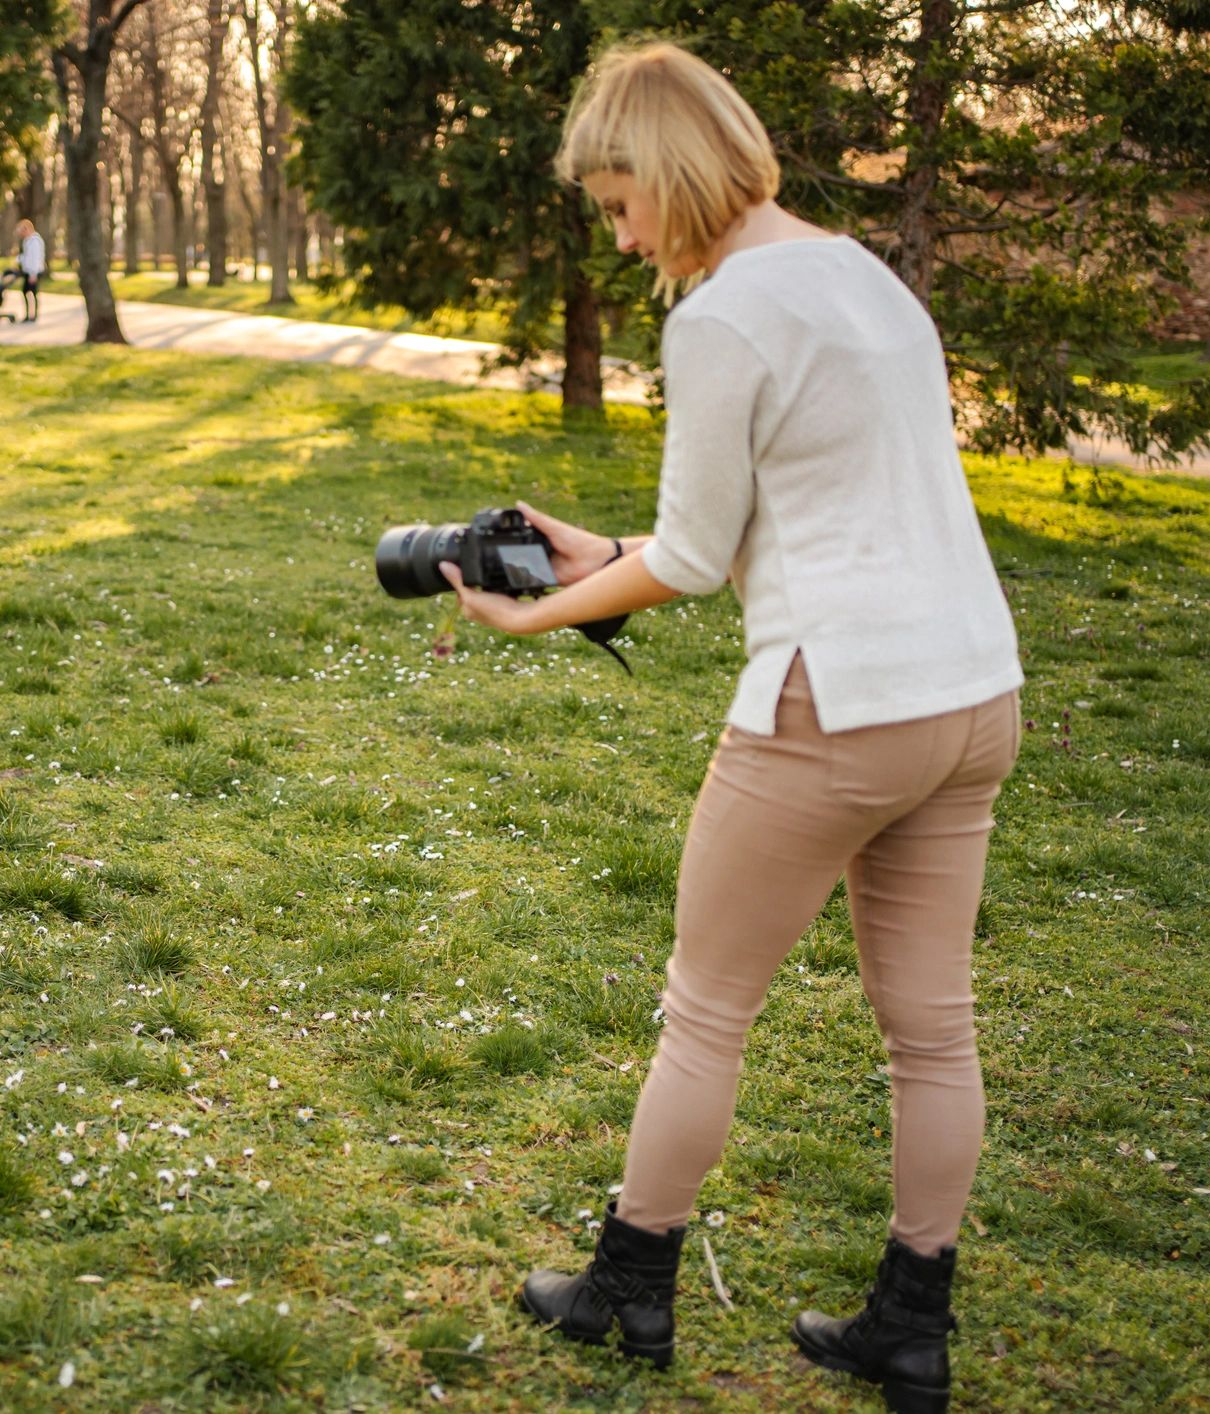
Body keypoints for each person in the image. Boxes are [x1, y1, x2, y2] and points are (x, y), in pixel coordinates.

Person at [451, 43, 1022, 1414]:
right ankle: (909, 1323)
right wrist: (607, 550)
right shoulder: (861, 276)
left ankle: (627, 1286)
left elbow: (700, 563)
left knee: (704, 1012)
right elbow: (805, 509)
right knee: (932, 1035)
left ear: (671, 167)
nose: (623, 232)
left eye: (619, 199)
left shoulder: (718, 316)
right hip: (971, 692)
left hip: (833, 708)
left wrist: (539, 615)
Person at [13, 217, 45, 322]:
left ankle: (33, 315)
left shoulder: (35, 241)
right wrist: (18, 260)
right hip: (27, 271)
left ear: (27, 229)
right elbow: (26, 256)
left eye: (22, 231)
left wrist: (33, 274)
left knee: (33, 292)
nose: (21, 235)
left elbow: (35, 258)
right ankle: (28, 314)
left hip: (33, 272)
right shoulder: (27, 241)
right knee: (26, 292)